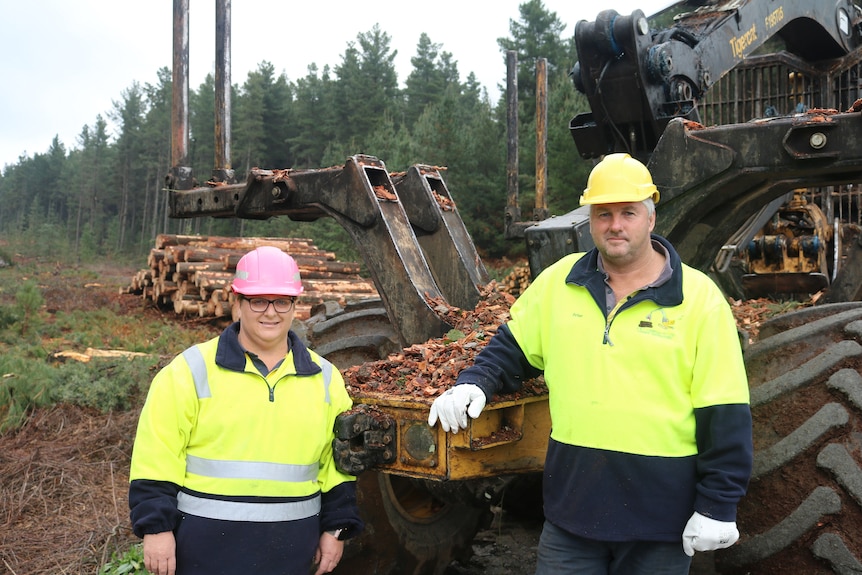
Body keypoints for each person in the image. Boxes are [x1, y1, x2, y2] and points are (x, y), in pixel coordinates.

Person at [428, 153, 753, 574]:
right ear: (590, 220)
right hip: (572, 517)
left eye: (627, 213)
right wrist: (473, 383)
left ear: (650, 218)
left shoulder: (700, 299)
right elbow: (512, 348)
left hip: (660, 523)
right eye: (603, 214)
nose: (615, 225)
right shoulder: (558, 283)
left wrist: (718, 505)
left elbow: (725, 412)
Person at [129, 245, 363, 575]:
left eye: (282, 300)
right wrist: (156, 529)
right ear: (237, 301)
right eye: (258, 300)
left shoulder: (325, 379)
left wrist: (336, 528)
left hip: (292, 551)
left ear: (296, 304)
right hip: (203, 550)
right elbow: (156, 456)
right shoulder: (189, 372)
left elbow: (336, 465)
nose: (271, 312)